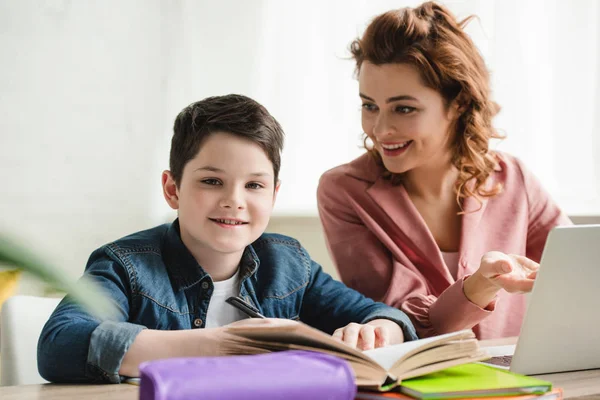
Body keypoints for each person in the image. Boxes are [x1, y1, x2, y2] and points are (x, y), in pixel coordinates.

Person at [38, 94, 417, 383]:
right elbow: (62, 344)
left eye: (254, 185)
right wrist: (226, 344)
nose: (234, 200)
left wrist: (377, 332)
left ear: (273, 194)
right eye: (211, 181)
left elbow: (386, 317)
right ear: (173, 189)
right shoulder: (126, 265)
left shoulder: (288, 263)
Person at [317, 2, 571, 340]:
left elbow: (578, 272)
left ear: (459, 102)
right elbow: (401, 323)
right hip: (414, 387)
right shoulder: (344, 192)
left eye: (403, 108)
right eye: (369, 106)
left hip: (516, 383)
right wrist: (479, 286)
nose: (380, 129)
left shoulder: (513, 179)